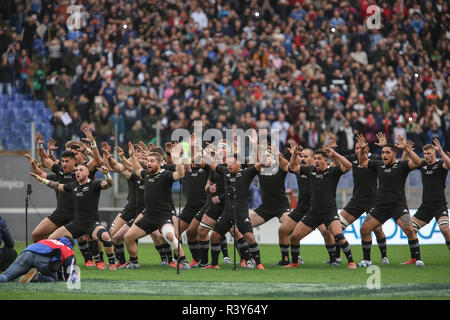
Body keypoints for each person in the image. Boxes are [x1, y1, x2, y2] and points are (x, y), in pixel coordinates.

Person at [29, 163, 118, 271]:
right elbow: (57, 185)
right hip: (77, 223)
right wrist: (41, 180)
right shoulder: (73, 185)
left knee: (105, 236)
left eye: (81, 170)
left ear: (87, 173)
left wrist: (107, 174)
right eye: (76, 170)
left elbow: (108, 184)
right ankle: (44, 262)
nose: (77, 172)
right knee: (51, 239)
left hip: (91, 224)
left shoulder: (94, 185)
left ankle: (112, 263)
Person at [356, 135, 425, 267]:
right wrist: (363, 149)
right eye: (383, 152)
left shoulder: (401, 165)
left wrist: (407, 149)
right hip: (380, 206)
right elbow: (362, 162)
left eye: (387, 152)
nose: (384, 155)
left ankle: (418, 259)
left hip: (398, 205)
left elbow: (417, 162)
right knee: (364, 229)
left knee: (409, 230)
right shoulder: (378, 165)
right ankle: (367, 260)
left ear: (394, 154)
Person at [287, 145, 357, 269]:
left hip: (329, 212)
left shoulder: (332, 171)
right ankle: (294, 263)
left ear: (326, 160)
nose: (316, 161)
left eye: (319, 158)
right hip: (313, 213)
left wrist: (334, 153)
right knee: (294, 237)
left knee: (338, 236)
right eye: (315, 159)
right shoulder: (311, 171)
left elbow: (348, 165)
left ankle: (351, 262)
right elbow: (292, 167)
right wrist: (294, 155)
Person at [122, 143, 190, 269]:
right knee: (128, 237)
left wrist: (177, 159)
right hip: (148, 215)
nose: (148, 163)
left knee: (170, 235)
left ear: (160, 163)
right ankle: (134, 262)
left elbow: (180, 174)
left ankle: (183, 260)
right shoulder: (147, 174)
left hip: (163, 216)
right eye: (147, 161)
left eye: (152, 161)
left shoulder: (166, 175)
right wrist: (131, 156)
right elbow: (137, 170)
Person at [204, 148, 274, 270]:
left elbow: (260, 164)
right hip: (227, 213)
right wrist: (204, 153)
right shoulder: (225, 171)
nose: (229, 165)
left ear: (239, 163)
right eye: (228, 163)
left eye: (232, 162)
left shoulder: (246, 173)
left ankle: (258, 263)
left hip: (241, 213)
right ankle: (214, 264)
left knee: (249, 237)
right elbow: (212, 164)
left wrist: (266, 159)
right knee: (214, 236)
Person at [278, 143, 337, 267]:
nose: (303, 158)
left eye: (306, 156)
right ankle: (286, 259)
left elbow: (335, 165)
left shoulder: (322, 170)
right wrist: (287, 155)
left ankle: (333, 260)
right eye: (301, 156)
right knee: (283, 230)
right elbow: (288, 165)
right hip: (302, 208)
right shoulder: (300, 170)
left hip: (317, 209)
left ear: (313, 158)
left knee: (326, 233)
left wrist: (332, 152)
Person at [337, 132, 390, 265]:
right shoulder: (353, 158)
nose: (357, 151)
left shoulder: (376, 158)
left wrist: (385, 146)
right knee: (337, 227)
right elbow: (337, 160)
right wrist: (332, 150)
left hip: (373, 200)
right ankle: (336, 258)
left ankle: (384, 256)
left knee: (377, 229)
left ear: (367, 148)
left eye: (360, 148)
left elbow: (389, 164)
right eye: (356, 148)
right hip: (356, 200)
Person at [412, 139, 450, 251]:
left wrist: (441, 151)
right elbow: (415, 161)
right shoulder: (423, 165)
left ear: (434, 153)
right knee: (411, 229)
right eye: (424, 153)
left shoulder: (440, 164)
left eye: (428, 153)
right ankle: (415, 258)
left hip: (439, 205)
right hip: (426, 206)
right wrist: (408, 150)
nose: (426, 156)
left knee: (445, 230)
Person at [0, 237, 75, 283]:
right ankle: (36, 277)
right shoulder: (68, 249)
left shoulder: (49, 240)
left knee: (6, 277)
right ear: (71, 244)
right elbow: (70, 267)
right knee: (53, 280)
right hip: (44, 258)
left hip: (28, 252)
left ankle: (25, 275)